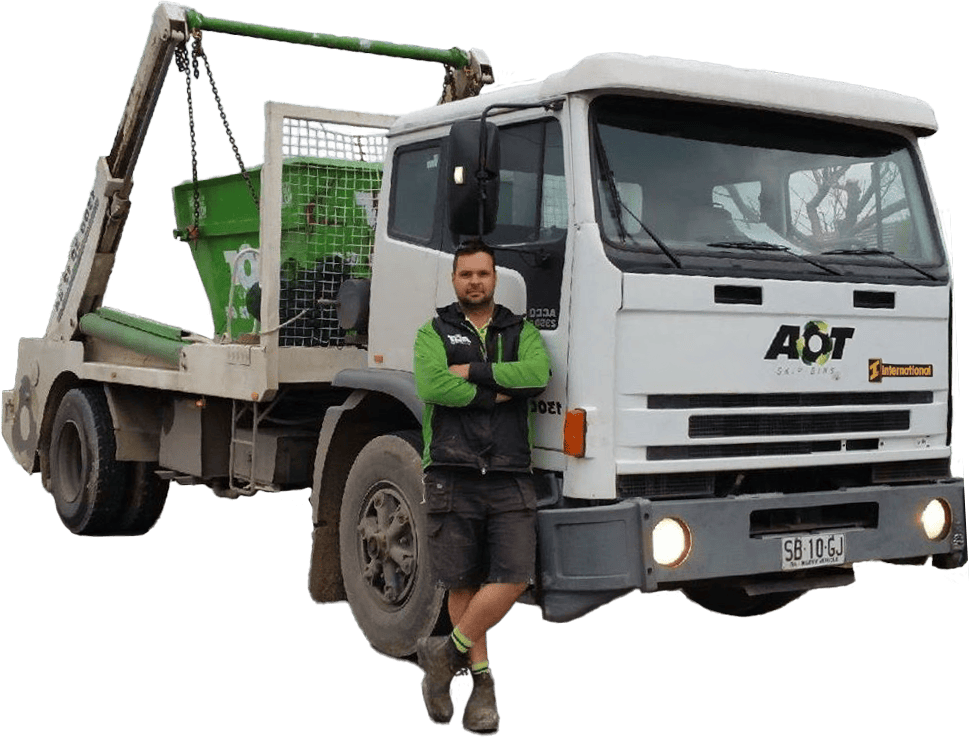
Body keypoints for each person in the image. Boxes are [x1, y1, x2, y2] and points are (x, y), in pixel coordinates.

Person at [413, 242, 550, 734]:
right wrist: (502, 391)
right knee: (463, 581)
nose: (475, 282)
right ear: (454, 280)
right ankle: (482, 684)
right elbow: (432, 387)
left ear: (495, 280)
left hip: (511, 472)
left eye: (483, 274)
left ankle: (443, 653)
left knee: (513, 577)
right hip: (452, 471)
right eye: (466, 274)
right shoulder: (434, 331)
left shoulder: (522, 331)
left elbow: (537, 375)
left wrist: (471, 372)